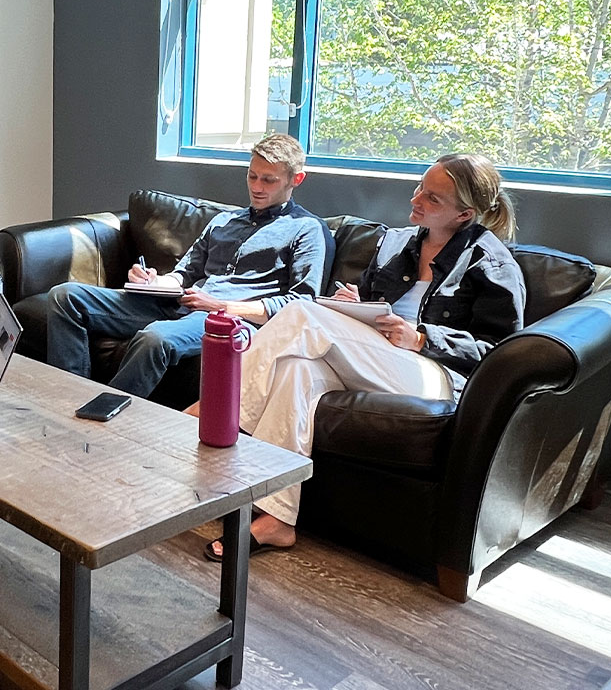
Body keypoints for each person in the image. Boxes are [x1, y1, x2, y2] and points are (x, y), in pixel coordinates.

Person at [201, 152, 525, 560]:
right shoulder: (396, 242)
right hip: (377, 360)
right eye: (420, 186)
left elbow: (498, 352)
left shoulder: (492, 263)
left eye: (433, 198)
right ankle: (276, 519)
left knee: (302, 313)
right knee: (296, 374)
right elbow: (375, 308)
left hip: (434, 377)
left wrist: (423, 338)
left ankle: (210, 412)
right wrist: (357, 305)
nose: (417, 198)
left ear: (465, 215)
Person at [45, 133, 332, 399]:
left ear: (296, 179)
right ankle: (68, 398)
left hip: (231, 320)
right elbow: (184, 274)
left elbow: (301, 304)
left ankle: (99, 417)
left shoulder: (307, 229)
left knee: (154, 339)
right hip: (181, 303)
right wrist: (153, 282)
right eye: (252, 176)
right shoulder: (225, 221)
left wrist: (219, 305)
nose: (256, 187)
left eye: (268, 180)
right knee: (66, 296)